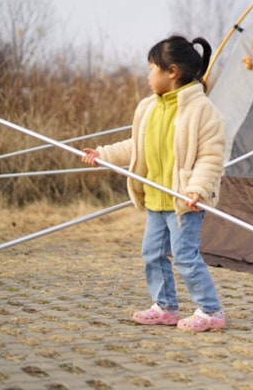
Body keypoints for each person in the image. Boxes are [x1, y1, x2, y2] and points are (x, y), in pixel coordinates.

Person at [82, 35, 227, 331]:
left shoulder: (201, 110)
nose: (148, 76)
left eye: (152, 69)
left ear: (172, 71)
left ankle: (211, 311)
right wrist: (103, 155)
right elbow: (136, 146)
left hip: (184, 201)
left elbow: (211, 155)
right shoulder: (149, 107)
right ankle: (165, 307)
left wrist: (198, 188)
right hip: (155, 199)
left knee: (185, 257)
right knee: (152, 254)